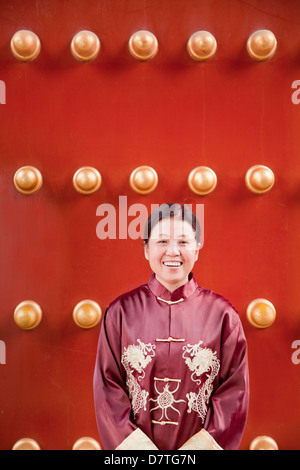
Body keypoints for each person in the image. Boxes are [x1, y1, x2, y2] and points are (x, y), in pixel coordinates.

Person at [93, 203, 249, 450]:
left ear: (197, 249)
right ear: (146, 249)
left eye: (184, 242)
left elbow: (233, 394)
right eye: (162, 242)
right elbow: (108, 388)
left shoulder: (223, 315)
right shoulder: (120, 312)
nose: (173, 251)